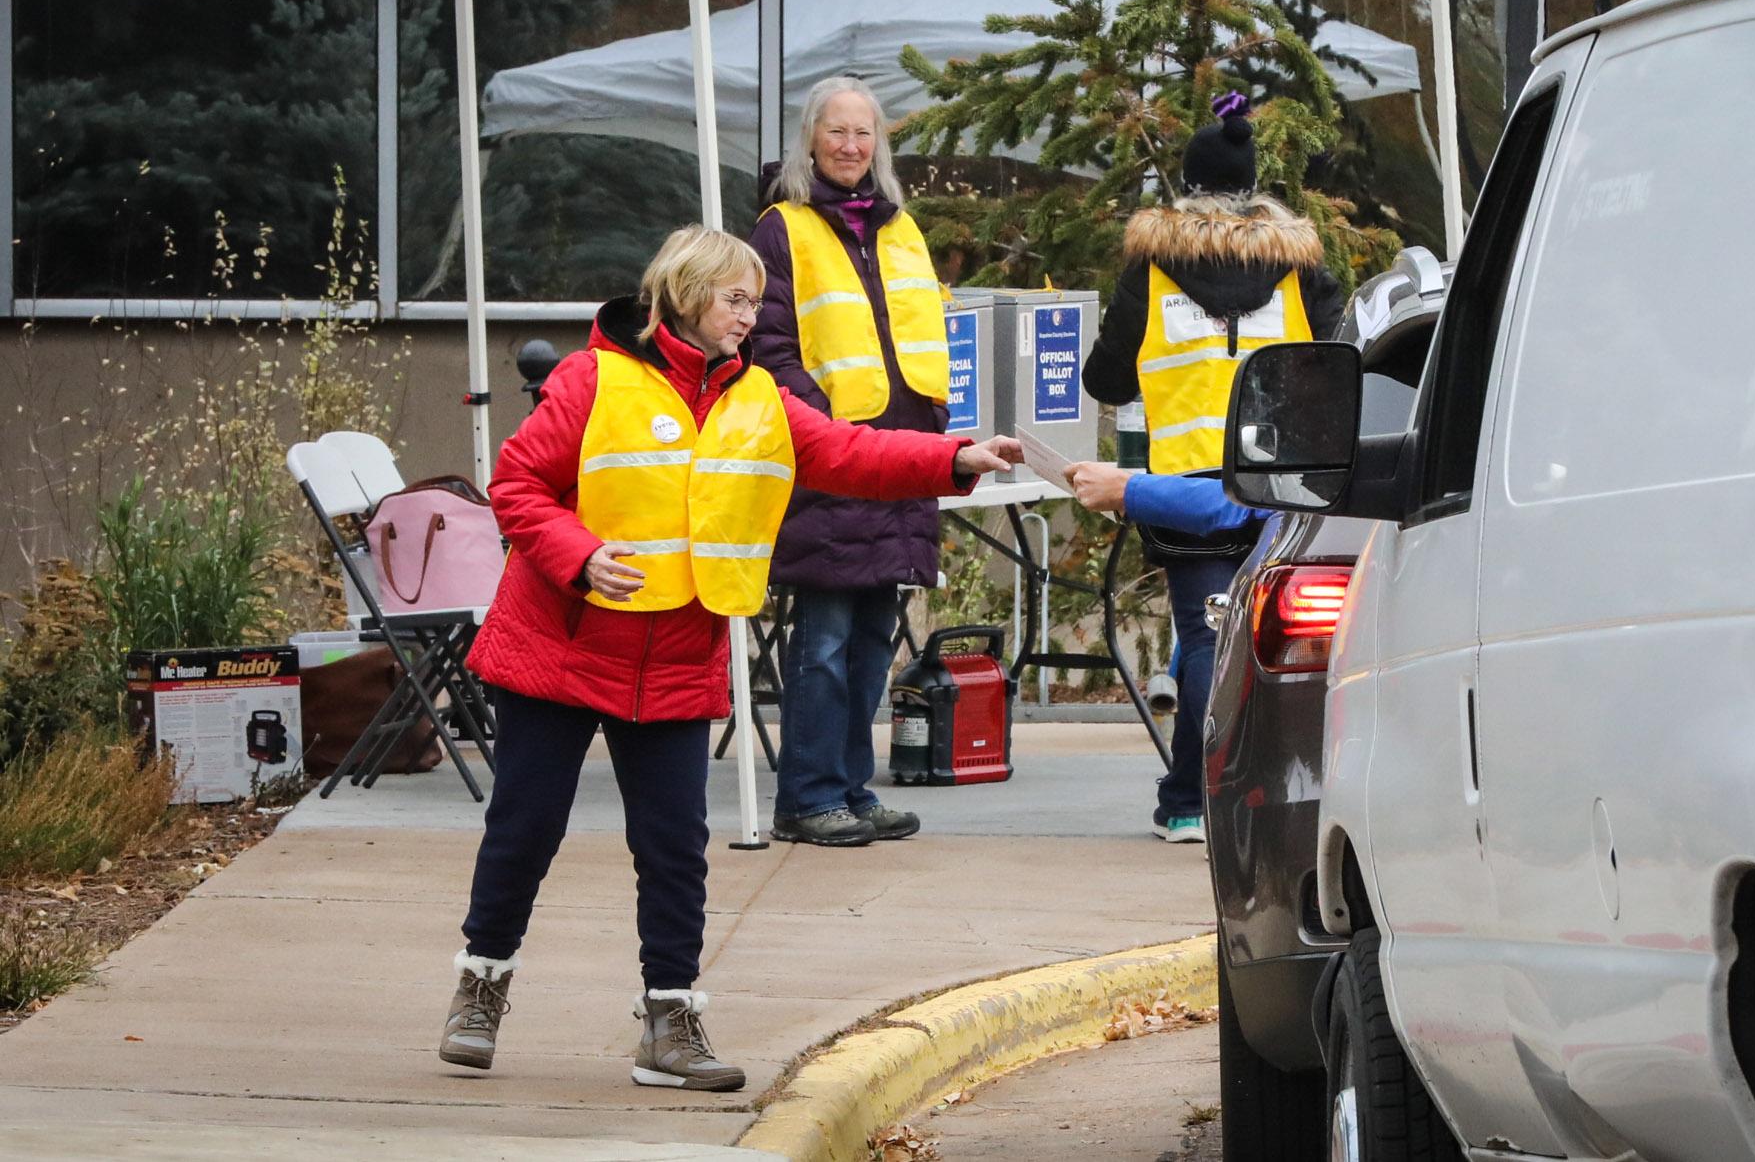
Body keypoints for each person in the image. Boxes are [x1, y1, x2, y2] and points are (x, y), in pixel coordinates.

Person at [442, 226, 1020, 1089]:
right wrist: (578, 552)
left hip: (677, 649)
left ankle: (670, 1023)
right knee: (525, 828)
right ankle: (480, 985)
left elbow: (849, 452)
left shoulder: (762, 400)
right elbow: (517, 484)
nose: (751, 317)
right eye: (735, 299)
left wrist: (953, 457)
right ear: (683, 294)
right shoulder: (591, 378)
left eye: (757, 301)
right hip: (560, 643)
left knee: (675, 846)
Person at [1080, 93, 1343, 843]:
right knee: (1281, 636)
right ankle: (1264, 788)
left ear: (1188, 184)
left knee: (1204, 639)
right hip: (1282, 479)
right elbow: (1338, 357)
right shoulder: (1301, 267)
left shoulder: (1154, 265)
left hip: (1183, 481)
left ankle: (1189, 800)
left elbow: (1107, 379)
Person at [748, 76, 955, 849]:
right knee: (825, 639)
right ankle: (807, 796)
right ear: (810, 138)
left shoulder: (902, 229)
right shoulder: (782, 229)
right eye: (836, 132)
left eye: (863, 133)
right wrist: (823, 425)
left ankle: (852, 789)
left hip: (902, 463)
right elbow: (767, 351)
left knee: (872, 638)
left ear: (880, 143)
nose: (849, 146)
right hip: (831, 462)